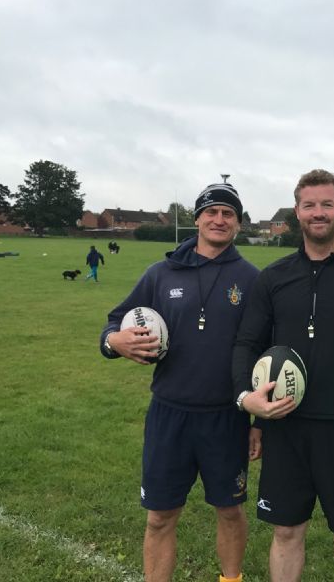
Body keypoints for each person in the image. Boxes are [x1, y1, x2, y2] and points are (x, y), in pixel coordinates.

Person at [100, 182, 259, 582]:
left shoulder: (253, 279)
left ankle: (231, 579)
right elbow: (115, 322)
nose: (219, 219)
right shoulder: (160, 273)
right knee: (159, 517)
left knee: (230, 510)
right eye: (212, 212)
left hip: (227, 416)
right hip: (169, 414)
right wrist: (113, 341)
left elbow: (263, 353)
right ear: (197, 218)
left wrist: (261, 423)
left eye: (228, 213)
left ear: (238, 223)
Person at [232, 169, 334, 582]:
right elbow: (247, 345)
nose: (319, 213)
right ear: (297, 211)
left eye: (327, 204)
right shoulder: (274, 278)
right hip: (285, 426)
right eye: (310, 205)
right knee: (286, 530)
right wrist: (253, 408)